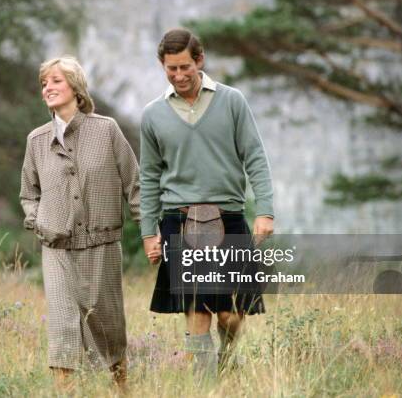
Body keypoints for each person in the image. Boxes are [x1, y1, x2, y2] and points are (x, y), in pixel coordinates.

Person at [140, 28, 274, 373]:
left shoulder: (232, 101)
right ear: (162, 66)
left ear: (199, 61)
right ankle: (206, 384)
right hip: (179, 220)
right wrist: (148, 232)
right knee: (197, 309)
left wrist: (265, 211)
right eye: (172, 68)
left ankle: (227, 360)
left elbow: (255, 157)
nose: (179, 75)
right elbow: (149, 177)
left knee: (231, 314)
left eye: (185, 66)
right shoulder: (153, 114)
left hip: (228, 216)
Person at [20, 56, 140, 391]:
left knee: (109, 330)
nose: (48, 88)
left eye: (55, 81)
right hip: (56, 248)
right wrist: (38, 220)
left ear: (75, 86)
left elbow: (135, 184)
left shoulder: (107, 130)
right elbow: (28, 193)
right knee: (62, 331)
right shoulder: (36, 140)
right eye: (44, 83)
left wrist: (148, 231)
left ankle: (122, 389)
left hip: (103, 247)